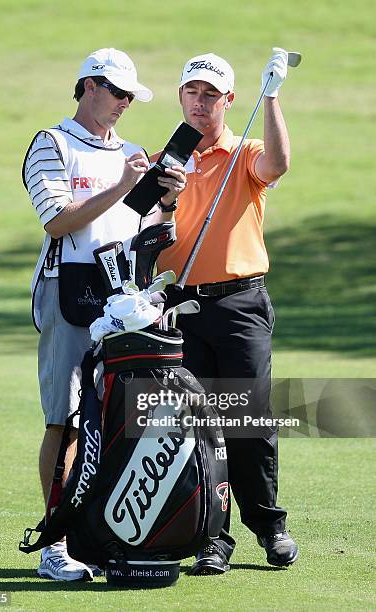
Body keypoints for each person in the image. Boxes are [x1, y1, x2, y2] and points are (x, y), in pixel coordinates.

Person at [22, 47, 186, 581]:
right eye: (117, 93)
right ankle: (56, 543)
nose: (123, 104)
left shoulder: (136, 152)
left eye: (130, 97)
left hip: (125, 300)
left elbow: (147, 235)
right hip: (68, 292)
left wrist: (167, 203)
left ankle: (105, 534)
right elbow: (57, 222)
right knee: (66, 422)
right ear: (89, 86)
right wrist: (120, 185)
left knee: (120, 419)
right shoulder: (51, 144)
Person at [155, 49, 299, 574]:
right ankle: (213, 538)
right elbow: (148, 233)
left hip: (240, 304)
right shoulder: (165, 160)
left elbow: (278, 165)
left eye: (211, 94)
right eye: (192, 92)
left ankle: (269, 527)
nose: (200, 102)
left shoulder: (245, 152)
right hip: (182, 306)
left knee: (248, 421)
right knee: (198, 427)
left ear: (229, 100)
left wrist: (275, 94)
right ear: (180, 97)